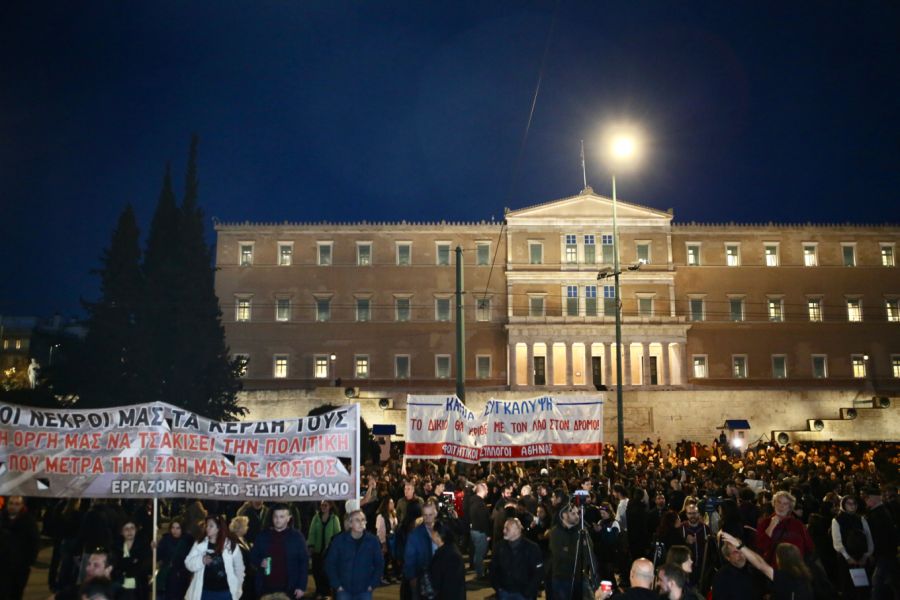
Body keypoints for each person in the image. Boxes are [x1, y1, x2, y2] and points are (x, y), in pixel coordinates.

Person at [719, 531, 813, 600]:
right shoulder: (805, 575)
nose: (740, 554)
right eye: (736, 552)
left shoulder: (784, 576)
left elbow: (761, 565)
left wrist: (740, 546)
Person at [249, 503, 309, 600]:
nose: (278, 520)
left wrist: (301, 586)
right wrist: (260, 562)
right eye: (275, 516)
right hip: (266, 587)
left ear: (288, 518)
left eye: (281, 516)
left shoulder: (297, 537)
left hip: (289, 587)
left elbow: (304, 562)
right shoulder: (262, 536)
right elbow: (252, 556)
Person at [324, 510, 383, 600]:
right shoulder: (339, 541)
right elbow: (330, 563)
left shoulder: (372, 541)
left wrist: (372, 584)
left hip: (365, 590)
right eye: (357, 520)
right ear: (350, 524)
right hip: (344, 590)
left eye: (363, 520)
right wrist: (337, 585)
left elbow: (379, 564)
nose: (361, 523)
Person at [185, 515, 245, 600]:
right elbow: (188, 563)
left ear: (219, 528)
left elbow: (239, 569)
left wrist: (237, 587)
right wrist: (202, 560)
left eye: (211, 526)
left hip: (225, 593)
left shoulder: (231, 545)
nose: (207, 528)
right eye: (207, 525)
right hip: (204, 592)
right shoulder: (199, 543)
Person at [830, 495, 874, 599]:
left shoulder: (861, 519)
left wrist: (866, 555)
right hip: (846, 559)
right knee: (848, 586)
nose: (852, 506)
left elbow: (869, 537)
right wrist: (848, 557)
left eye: (854, 503)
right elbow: (837, 542)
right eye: (849, 504)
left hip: (861, 556)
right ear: (843, 505)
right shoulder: (837, 520)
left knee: (863, 587)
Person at [754, 491, 814, 566]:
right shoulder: (765, 523)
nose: (781, 506)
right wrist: (771, 525)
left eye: (785, 504)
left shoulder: (797, 524)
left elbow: (809, 547)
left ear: (790, 507)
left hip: (795, 568)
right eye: (778, 502)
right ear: (774, 503)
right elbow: (761, 546)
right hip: (773, 569)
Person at [491, 517, 544, 600]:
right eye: (504, 528)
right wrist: (498, 588)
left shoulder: (532, 548)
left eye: (507, 529)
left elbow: (538, 573)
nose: (504, 531)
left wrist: (528, 592)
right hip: (504, 592)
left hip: (524, 595)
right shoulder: (499, 547)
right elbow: (493, 568)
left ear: (517, 530)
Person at [862, 485, 899, 600]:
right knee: (892, 580)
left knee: (878, 582)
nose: (865, 501)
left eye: (867, 498)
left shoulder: (877, 514)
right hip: (889, 553)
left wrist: (873, 553)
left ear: (873, 499)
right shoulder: (882, 510)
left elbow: (879, 537)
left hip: (884, 554)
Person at [549, 502, 592, 600]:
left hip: (580, 576)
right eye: (573, 514)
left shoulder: (582, 531)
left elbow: (589, 551)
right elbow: (559, 554)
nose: (577, 516)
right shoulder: (556, 532)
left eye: (577, 513)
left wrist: (569, 549)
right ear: (564, 515)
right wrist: (577, 551)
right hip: (562, 578)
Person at [2, 495, 40, 600]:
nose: (13, 506)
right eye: (11, 503)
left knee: (15, 593)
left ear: (22, 505)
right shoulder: (2, 518)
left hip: (19, 567)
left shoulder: (29, 521)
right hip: (3, 565)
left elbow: (34, 543)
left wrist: (28, 562)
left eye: (17, 504)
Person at [402, 500, 437, 600]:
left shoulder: (441, 531)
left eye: (430, 514)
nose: (428, 518)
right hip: (421, 578)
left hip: (438, 577)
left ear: (435, 514)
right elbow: (409, 559)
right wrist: (413, 578)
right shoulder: (415, 535)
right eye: (425, 515)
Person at [307, 501, 341, 599]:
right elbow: (312, 532)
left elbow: (337, 534)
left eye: (325, 505)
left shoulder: (335, 519)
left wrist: (334, 548)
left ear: (330, 506)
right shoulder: (316, 517)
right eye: (322, 505)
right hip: (317, 550)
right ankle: (319, 590)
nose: (323, 507)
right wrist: (311, 545)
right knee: (316, 571)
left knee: (326, 572)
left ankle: (327, 592)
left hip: (328, 552)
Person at [54, 550, 118, 600]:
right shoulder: (75, 590)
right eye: (89, 564)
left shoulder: (119, 594)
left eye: (96, 565)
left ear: (108, 569)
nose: (88, 568)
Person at [113, 520, 151, 600]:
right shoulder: (116, 547)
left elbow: (144, 566)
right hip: (120, 587)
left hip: (138, 587)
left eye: (132, 528)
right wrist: (132, 561)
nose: (129, 531)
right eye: (126, 529)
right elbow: (116, 565)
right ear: (121, 532)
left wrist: (126, 562)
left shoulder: (143, 546)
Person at [156, 520, 194, 600]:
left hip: (181, 577)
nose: (175, 531)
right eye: (173, 528)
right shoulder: (166, 539)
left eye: (178, 528)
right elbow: (158, 556)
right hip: (167, 575)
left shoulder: (187, 540)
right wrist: (155, 549)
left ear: (182, 529)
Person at [427, 521, 465, 600]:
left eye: (432, 532)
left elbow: (450, 587)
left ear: (438, 534)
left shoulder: (450, 555)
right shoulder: (447, 550)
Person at [467, 482, 491, 580]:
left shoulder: (472, 501)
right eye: (487, 490)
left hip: (474, 530)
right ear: (483, 490)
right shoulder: (480, 504)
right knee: (479, 553)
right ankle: (480, 573)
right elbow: (483, 521)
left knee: (477, 552)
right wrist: (488, 534)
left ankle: (478, 570)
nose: (488, 491)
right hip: (480, 532)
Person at [229, 516, 256, 600]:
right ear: (240, 528)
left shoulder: (243, 539)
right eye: (245, 526)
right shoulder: (234, 542)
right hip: (242, 578)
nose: (247, 528)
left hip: (248, 577)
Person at [374, 497, 398, 583]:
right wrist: (383, 543)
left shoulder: (393, 514)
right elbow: (380, 531)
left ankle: (388, 576)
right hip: (385, 540)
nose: (392, 504)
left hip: (392, 539)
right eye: (390, 503)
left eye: (393, 503)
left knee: (390, 558)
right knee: (384, 559)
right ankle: (382, 576)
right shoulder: (381, 516)